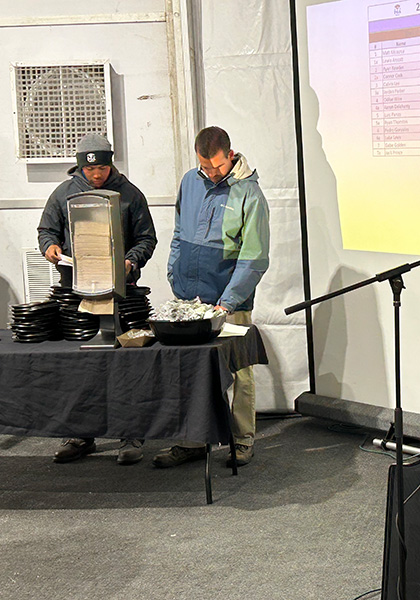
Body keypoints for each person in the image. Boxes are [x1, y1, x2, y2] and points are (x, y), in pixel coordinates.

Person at [37, 132, 158, 465]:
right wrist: (49, 247)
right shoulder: (62, 194)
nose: (96, 175)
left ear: (111, 163)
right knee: (80, 368)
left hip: (121, 296)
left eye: (102, 169)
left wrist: (132, 260)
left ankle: (131, 433)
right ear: (80, 167)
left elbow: (148, 238)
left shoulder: (131, 195)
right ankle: (80, 433)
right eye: (90, 170)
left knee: (126, 367)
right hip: (76, 293)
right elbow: (45, 230)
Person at [154, 126, 270, 468]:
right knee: (190, 371)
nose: (211, 173)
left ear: (230, 156)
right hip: (190, 299)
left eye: (217, 167)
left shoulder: (250, 194)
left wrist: (229, 301)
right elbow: (178, 233)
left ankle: (242, 439)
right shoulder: (191, 182)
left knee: (240, 369)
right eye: (205, 166)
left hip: (229, 302)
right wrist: (174, 273)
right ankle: (193, 440)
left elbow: (254, 258)